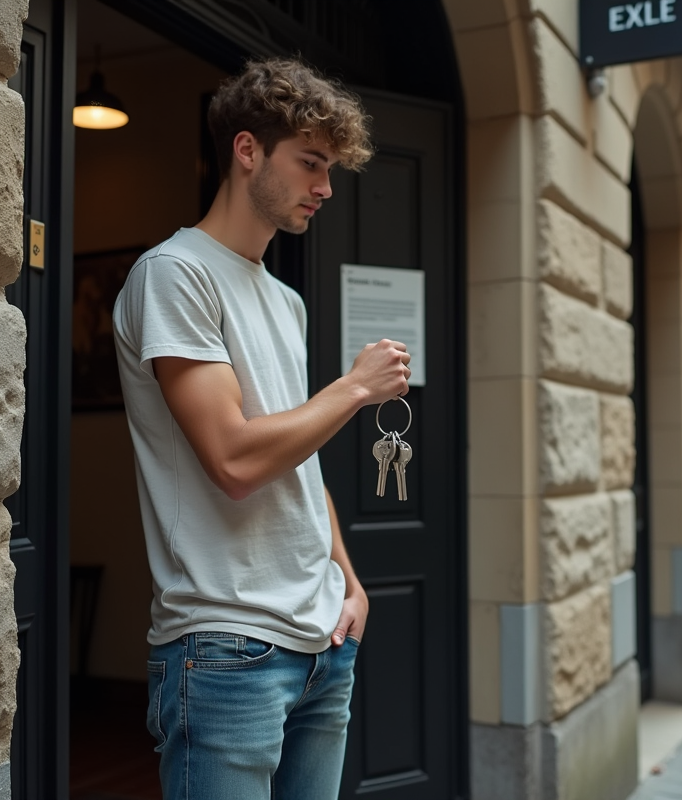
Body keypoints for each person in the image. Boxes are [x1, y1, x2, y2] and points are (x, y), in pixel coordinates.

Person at [112, 58, 409, 800]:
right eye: (310, 163)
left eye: (331, 168)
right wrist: (352, 389)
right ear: (248, 151)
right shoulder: (175, 274)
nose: (326, 188)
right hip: (226, 647)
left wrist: (350, 578)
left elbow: (292, 456)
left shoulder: (285, 300)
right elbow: (236, 461)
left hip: (323, 640)